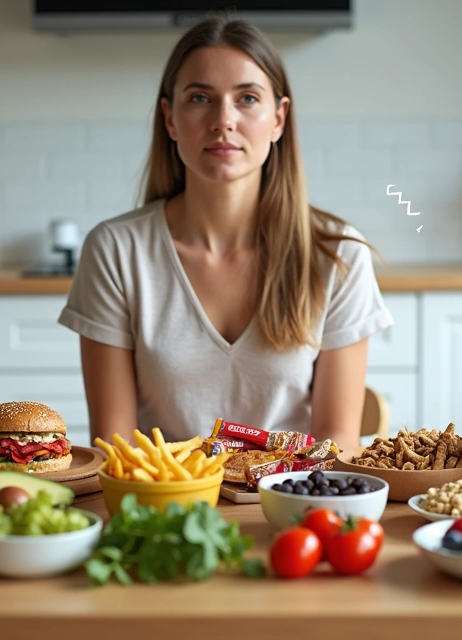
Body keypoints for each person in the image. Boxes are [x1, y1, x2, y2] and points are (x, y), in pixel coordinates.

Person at [58, 17, 393, 450]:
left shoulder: (337, 255)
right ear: (170, 118)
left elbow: (337, 441)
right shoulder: (116, 250)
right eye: (200, 97)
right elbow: (115, 443)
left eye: (247, 98)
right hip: (161, 505)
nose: (223, 120)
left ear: (278, 119)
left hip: (291, 504)